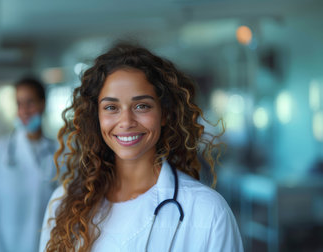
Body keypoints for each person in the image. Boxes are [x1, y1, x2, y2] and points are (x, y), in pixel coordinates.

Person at [39, 44, 243, 252]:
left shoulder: (207, 212)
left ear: (164, 114)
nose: (126, 121)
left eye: (141, 106)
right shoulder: (63, 202)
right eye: (111, 108)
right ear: (96, 117)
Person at [0, 77, 58, 252]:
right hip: (5, 246)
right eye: (19, 104)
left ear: (43, 104)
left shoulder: (60, 152)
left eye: (30, 102)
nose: (24, 110)